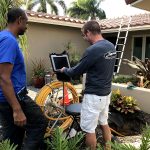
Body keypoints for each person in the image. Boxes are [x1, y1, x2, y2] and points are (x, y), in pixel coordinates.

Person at [61, 20, 116, 150]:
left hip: (94, 97)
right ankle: (108, 148)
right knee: (104, 122)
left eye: (83, 35)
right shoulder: (111, 46)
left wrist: (64, 70)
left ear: (88, 32)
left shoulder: (92, 50)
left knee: (89, 129)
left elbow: (76, 71)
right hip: (106, 93)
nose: (84, 38)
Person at [0, 8, 48, 150]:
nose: (26, 27)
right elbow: (3, 77)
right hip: (13, 97)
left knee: (14, 134)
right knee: (39, 123)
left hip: (9, 97)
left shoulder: (4, 37)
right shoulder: (9, 40)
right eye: (26, 22)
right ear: (19, 20)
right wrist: (17, 109)